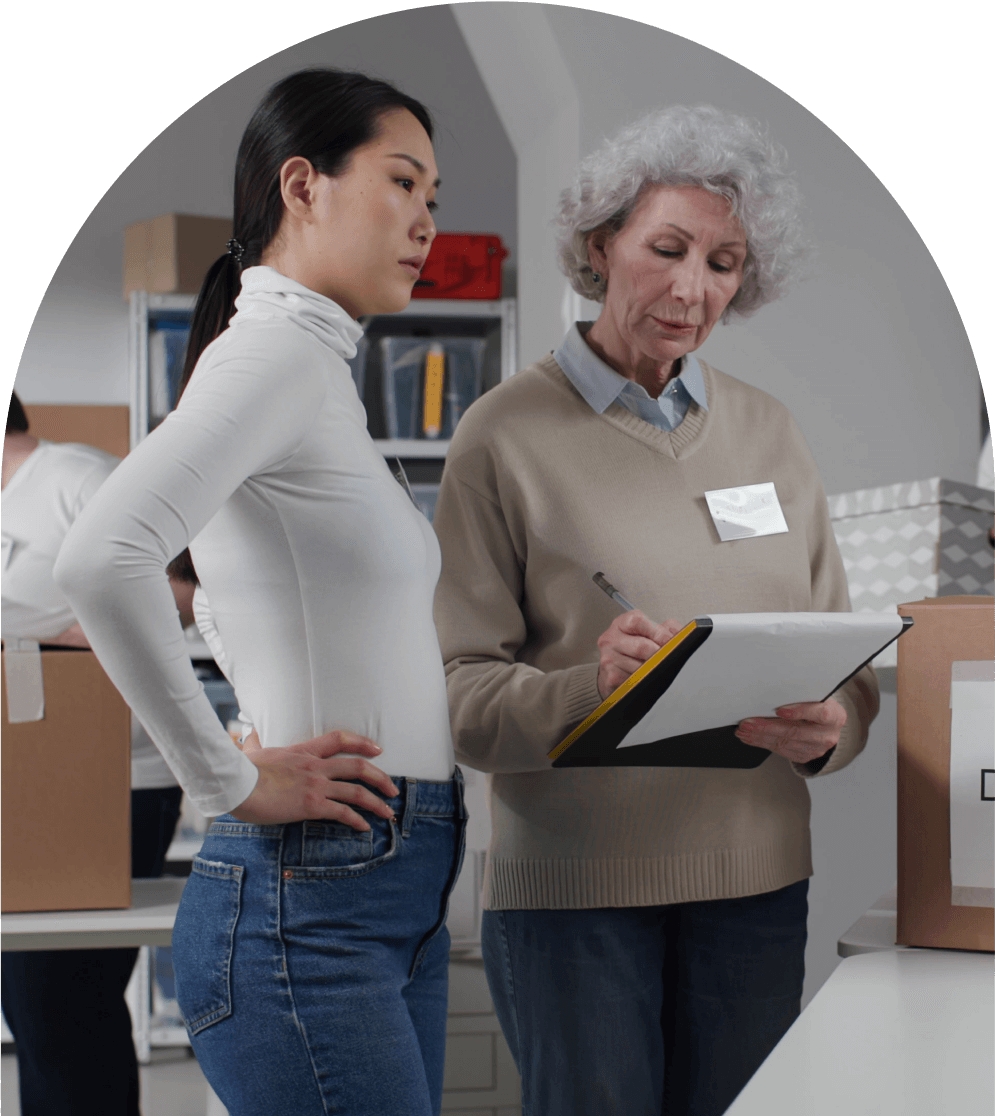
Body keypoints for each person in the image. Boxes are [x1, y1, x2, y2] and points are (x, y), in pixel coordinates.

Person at [431, 104, 880, 1116]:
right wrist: (581, 689)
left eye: (722, 264)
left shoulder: (769, 433)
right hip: (575, 902)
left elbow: (844, 674)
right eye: (666, 249)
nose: (691, 289)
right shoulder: (501, 434)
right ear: (600, 247)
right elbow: (457, 695)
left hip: (755, 888)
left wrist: (828, 730)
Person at [53, 68, 465, 1116]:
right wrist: (225, 783)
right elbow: (102, 557)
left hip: (380, 891)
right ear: (302, 185)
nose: (424, 221)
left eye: (434, 198)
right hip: (309, 904)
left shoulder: (313, 365)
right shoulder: (275, 352)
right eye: (402, 182)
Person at [1, 390, 187, 1116]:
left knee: (59, 1001)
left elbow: (182, 590)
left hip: (118, 774)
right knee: (39, 1004)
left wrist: (67, 639)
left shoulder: (77, 478)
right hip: (34, 771)